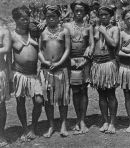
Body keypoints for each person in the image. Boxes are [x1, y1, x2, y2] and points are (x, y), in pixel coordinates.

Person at [11, 6, 43, 142]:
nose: (26, 21)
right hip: (19, 74)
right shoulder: (11, 35)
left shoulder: (34, 33)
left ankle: (33, 127)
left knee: (39, 101)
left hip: (33, 74)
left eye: (27, 18)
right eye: (23, 19)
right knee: (21, 101)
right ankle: (25, 128)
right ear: (15, 19)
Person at [38, 5, 71, 138]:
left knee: (63, 98)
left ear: (59, 17)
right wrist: (44, 61)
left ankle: (63, 124)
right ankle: (51, 125)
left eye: (54, 17)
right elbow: (39, 49)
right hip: (46, 70)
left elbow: (67, 49)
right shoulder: (42, 31)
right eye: (48, 17)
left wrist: (59, 62)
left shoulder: (64, 31)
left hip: (61, 69)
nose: (51, 19)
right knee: (48, 100)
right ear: (45, 18)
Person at [64, 1, 94, 135]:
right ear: (73, 11)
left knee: (83, 90)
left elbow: (91, 43)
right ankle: (77, 118)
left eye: (81, 11)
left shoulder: (89, 27)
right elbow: (63, 44)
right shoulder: (66, 26)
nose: (79, 13)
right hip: (71, 62)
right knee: (75, 90)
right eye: (76, 10)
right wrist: (68, 60)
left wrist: (87, 57)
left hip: (84, 61)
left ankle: (83, 120)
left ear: (85, 12)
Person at [91, 5, 120, 134]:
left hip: (109, 63)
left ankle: (113, 123)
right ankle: (105, 121)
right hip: (97, 64)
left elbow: (113, 44)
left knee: (111, 94)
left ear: (111, 16)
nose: (103, 17)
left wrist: (104, 32)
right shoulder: (94, 29)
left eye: (106, 15)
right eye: (101, 15)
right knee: (101, 95)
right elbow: (92, 45)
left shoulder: (114, 29)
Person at [0, 17, 11, 147]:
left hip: (0, 71)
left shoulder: (3, 30)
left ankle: (1, 135)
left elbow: (7, 48)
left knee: (0, 105)